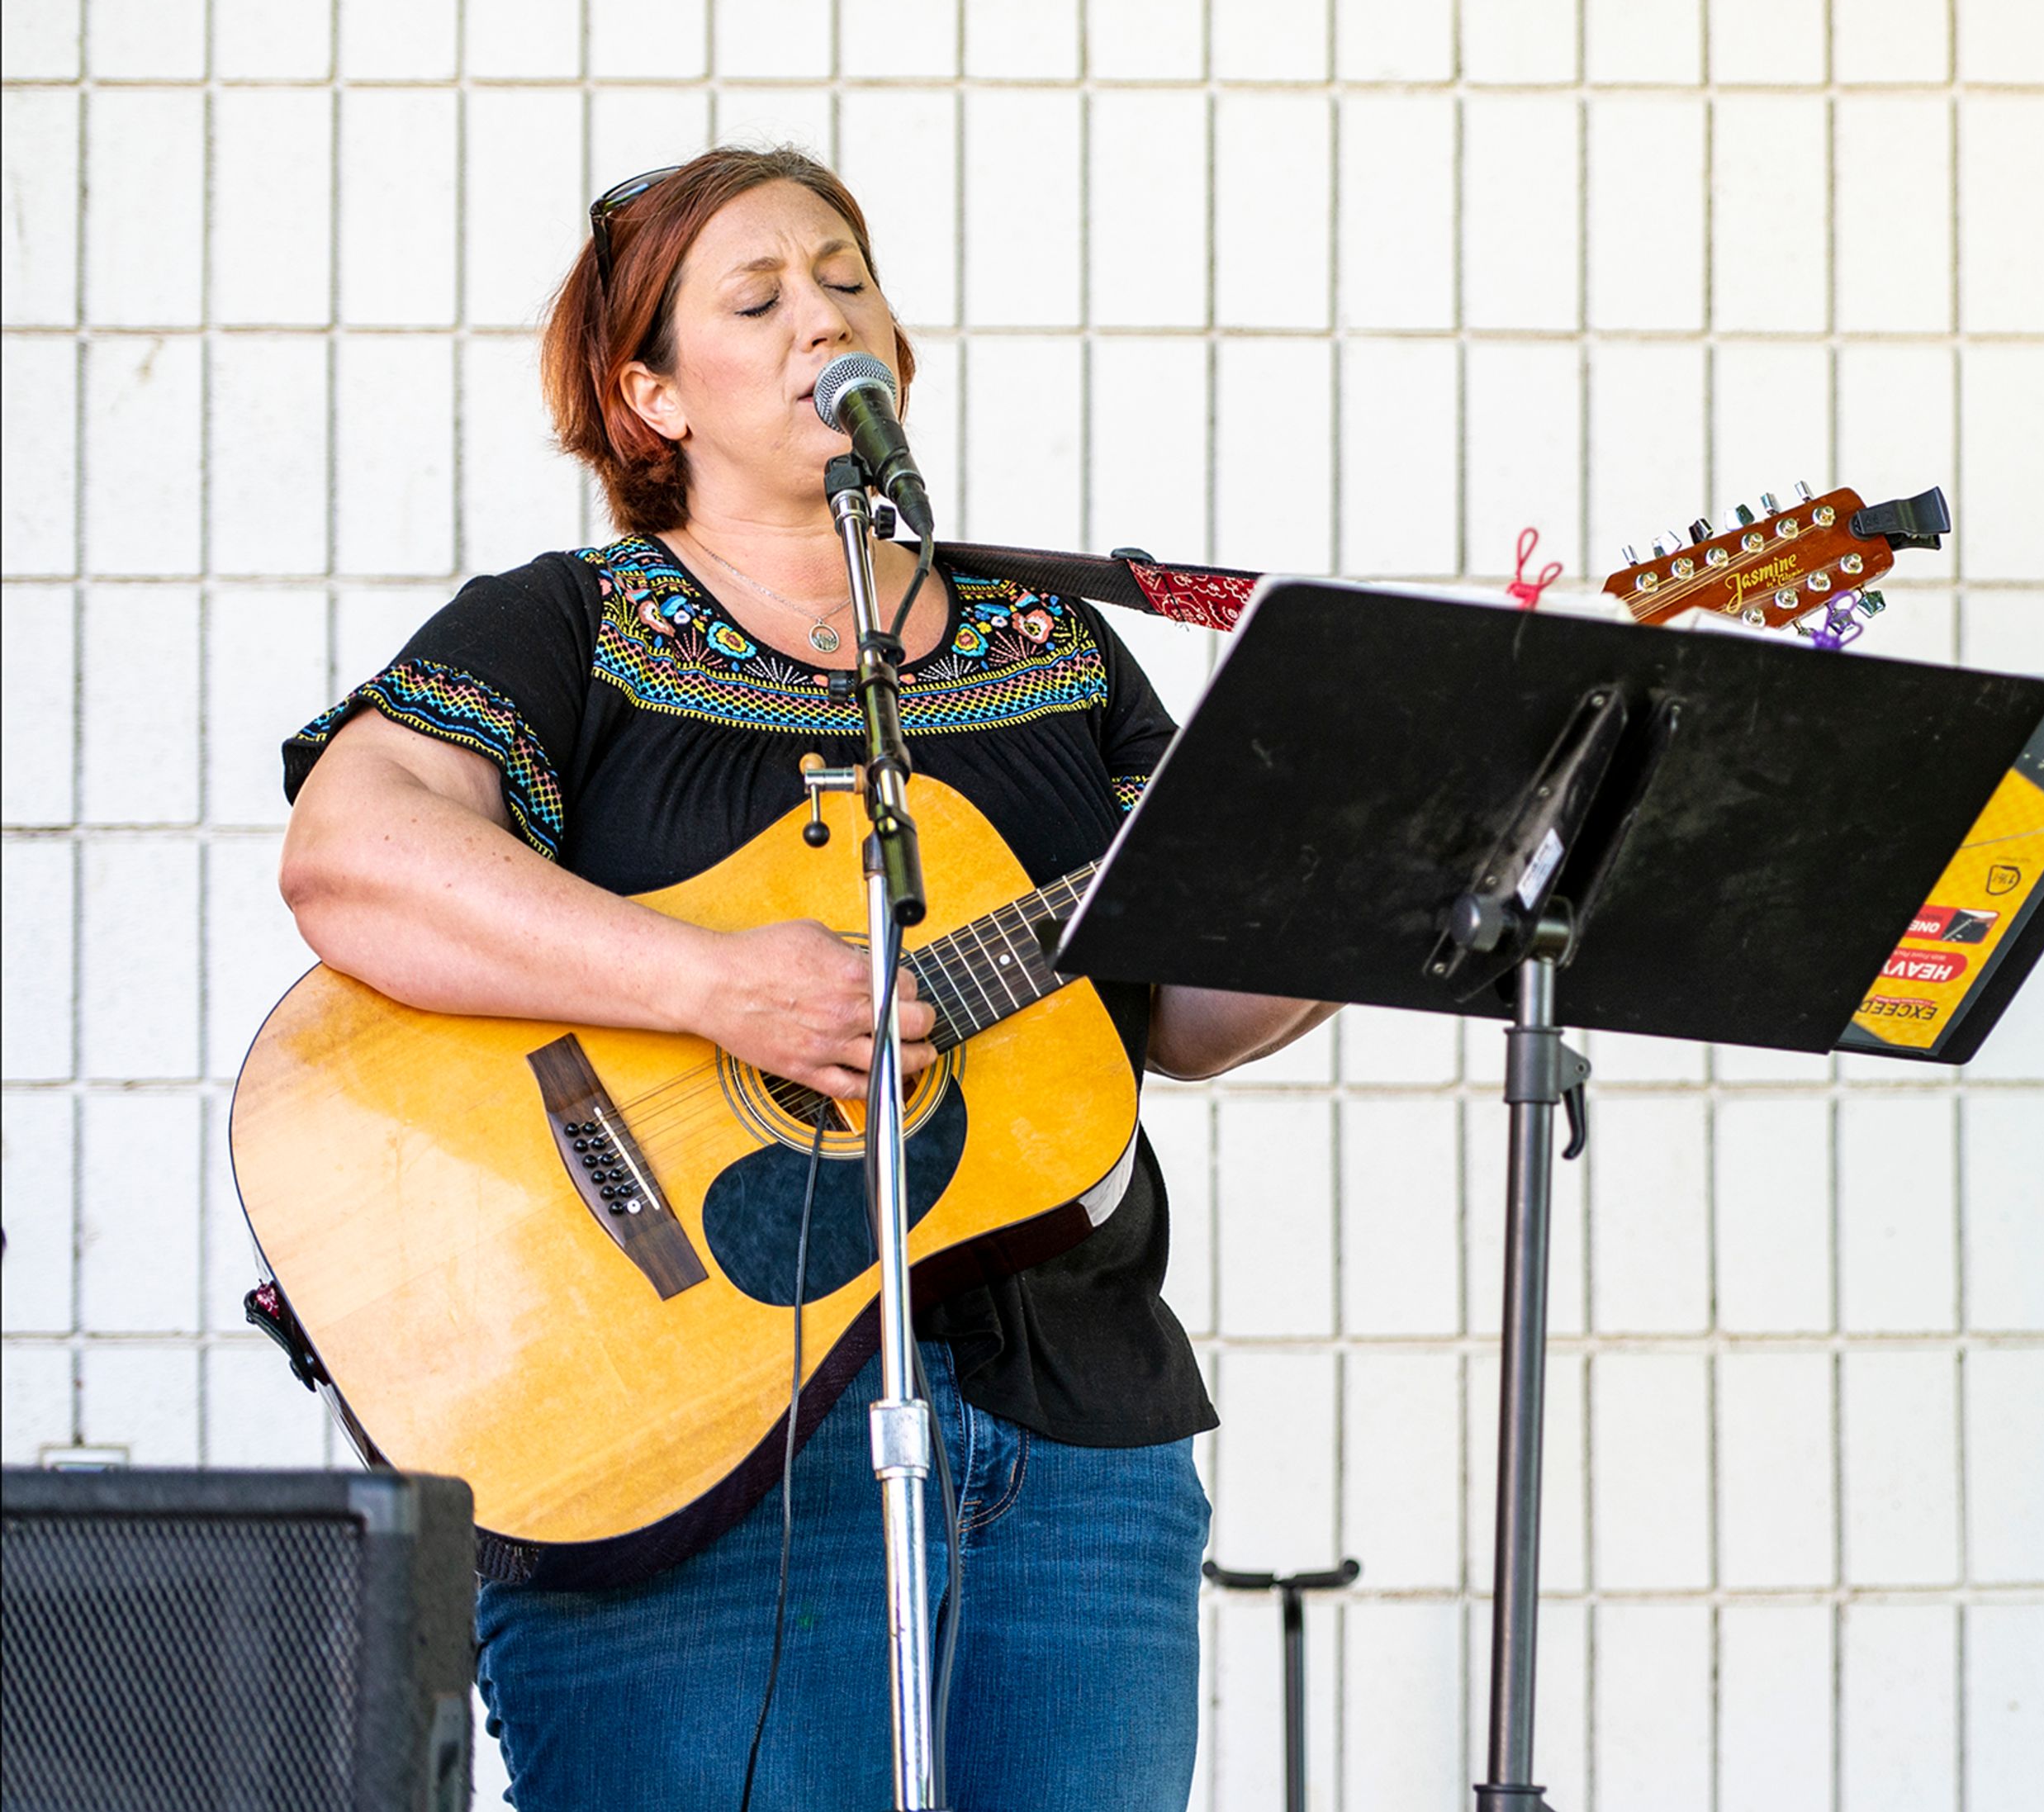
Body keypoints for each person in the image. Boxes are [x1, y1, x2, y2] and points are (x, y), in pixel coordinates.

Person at [277, 146, 1330, 1810]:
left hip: (1074, 1425)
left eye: (845, 279)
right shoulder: (572, 625)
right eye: (755, 298)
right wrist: (712, 984)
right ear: (649, 393)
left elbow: (1182, 1019)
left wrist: (1346, 890)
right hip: (687, 1442)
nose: (816, 315)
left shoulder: (1056, 644)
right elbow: (352, 855)